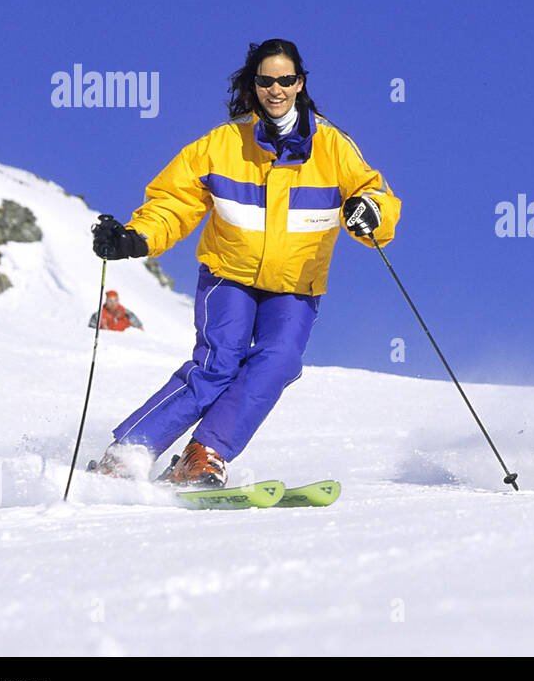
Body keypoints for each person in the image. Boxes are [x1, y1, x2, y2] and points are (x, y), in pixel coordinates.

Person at [88, 38, 400, 487]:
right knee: (218, 364)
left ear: (300, 83)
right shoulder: (222, 144)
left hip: (295, 285)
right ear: (254, 86)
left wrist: (369, 211)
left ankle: (204, 455)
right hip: (229, 277)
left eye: (286, 80)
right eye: (266, 80)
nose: (276, 89)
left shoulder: (332, 147)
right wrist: (136, 238)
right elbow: (174, 202)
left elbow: (374, 195)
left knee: (279, 361)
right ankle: (128, 454)